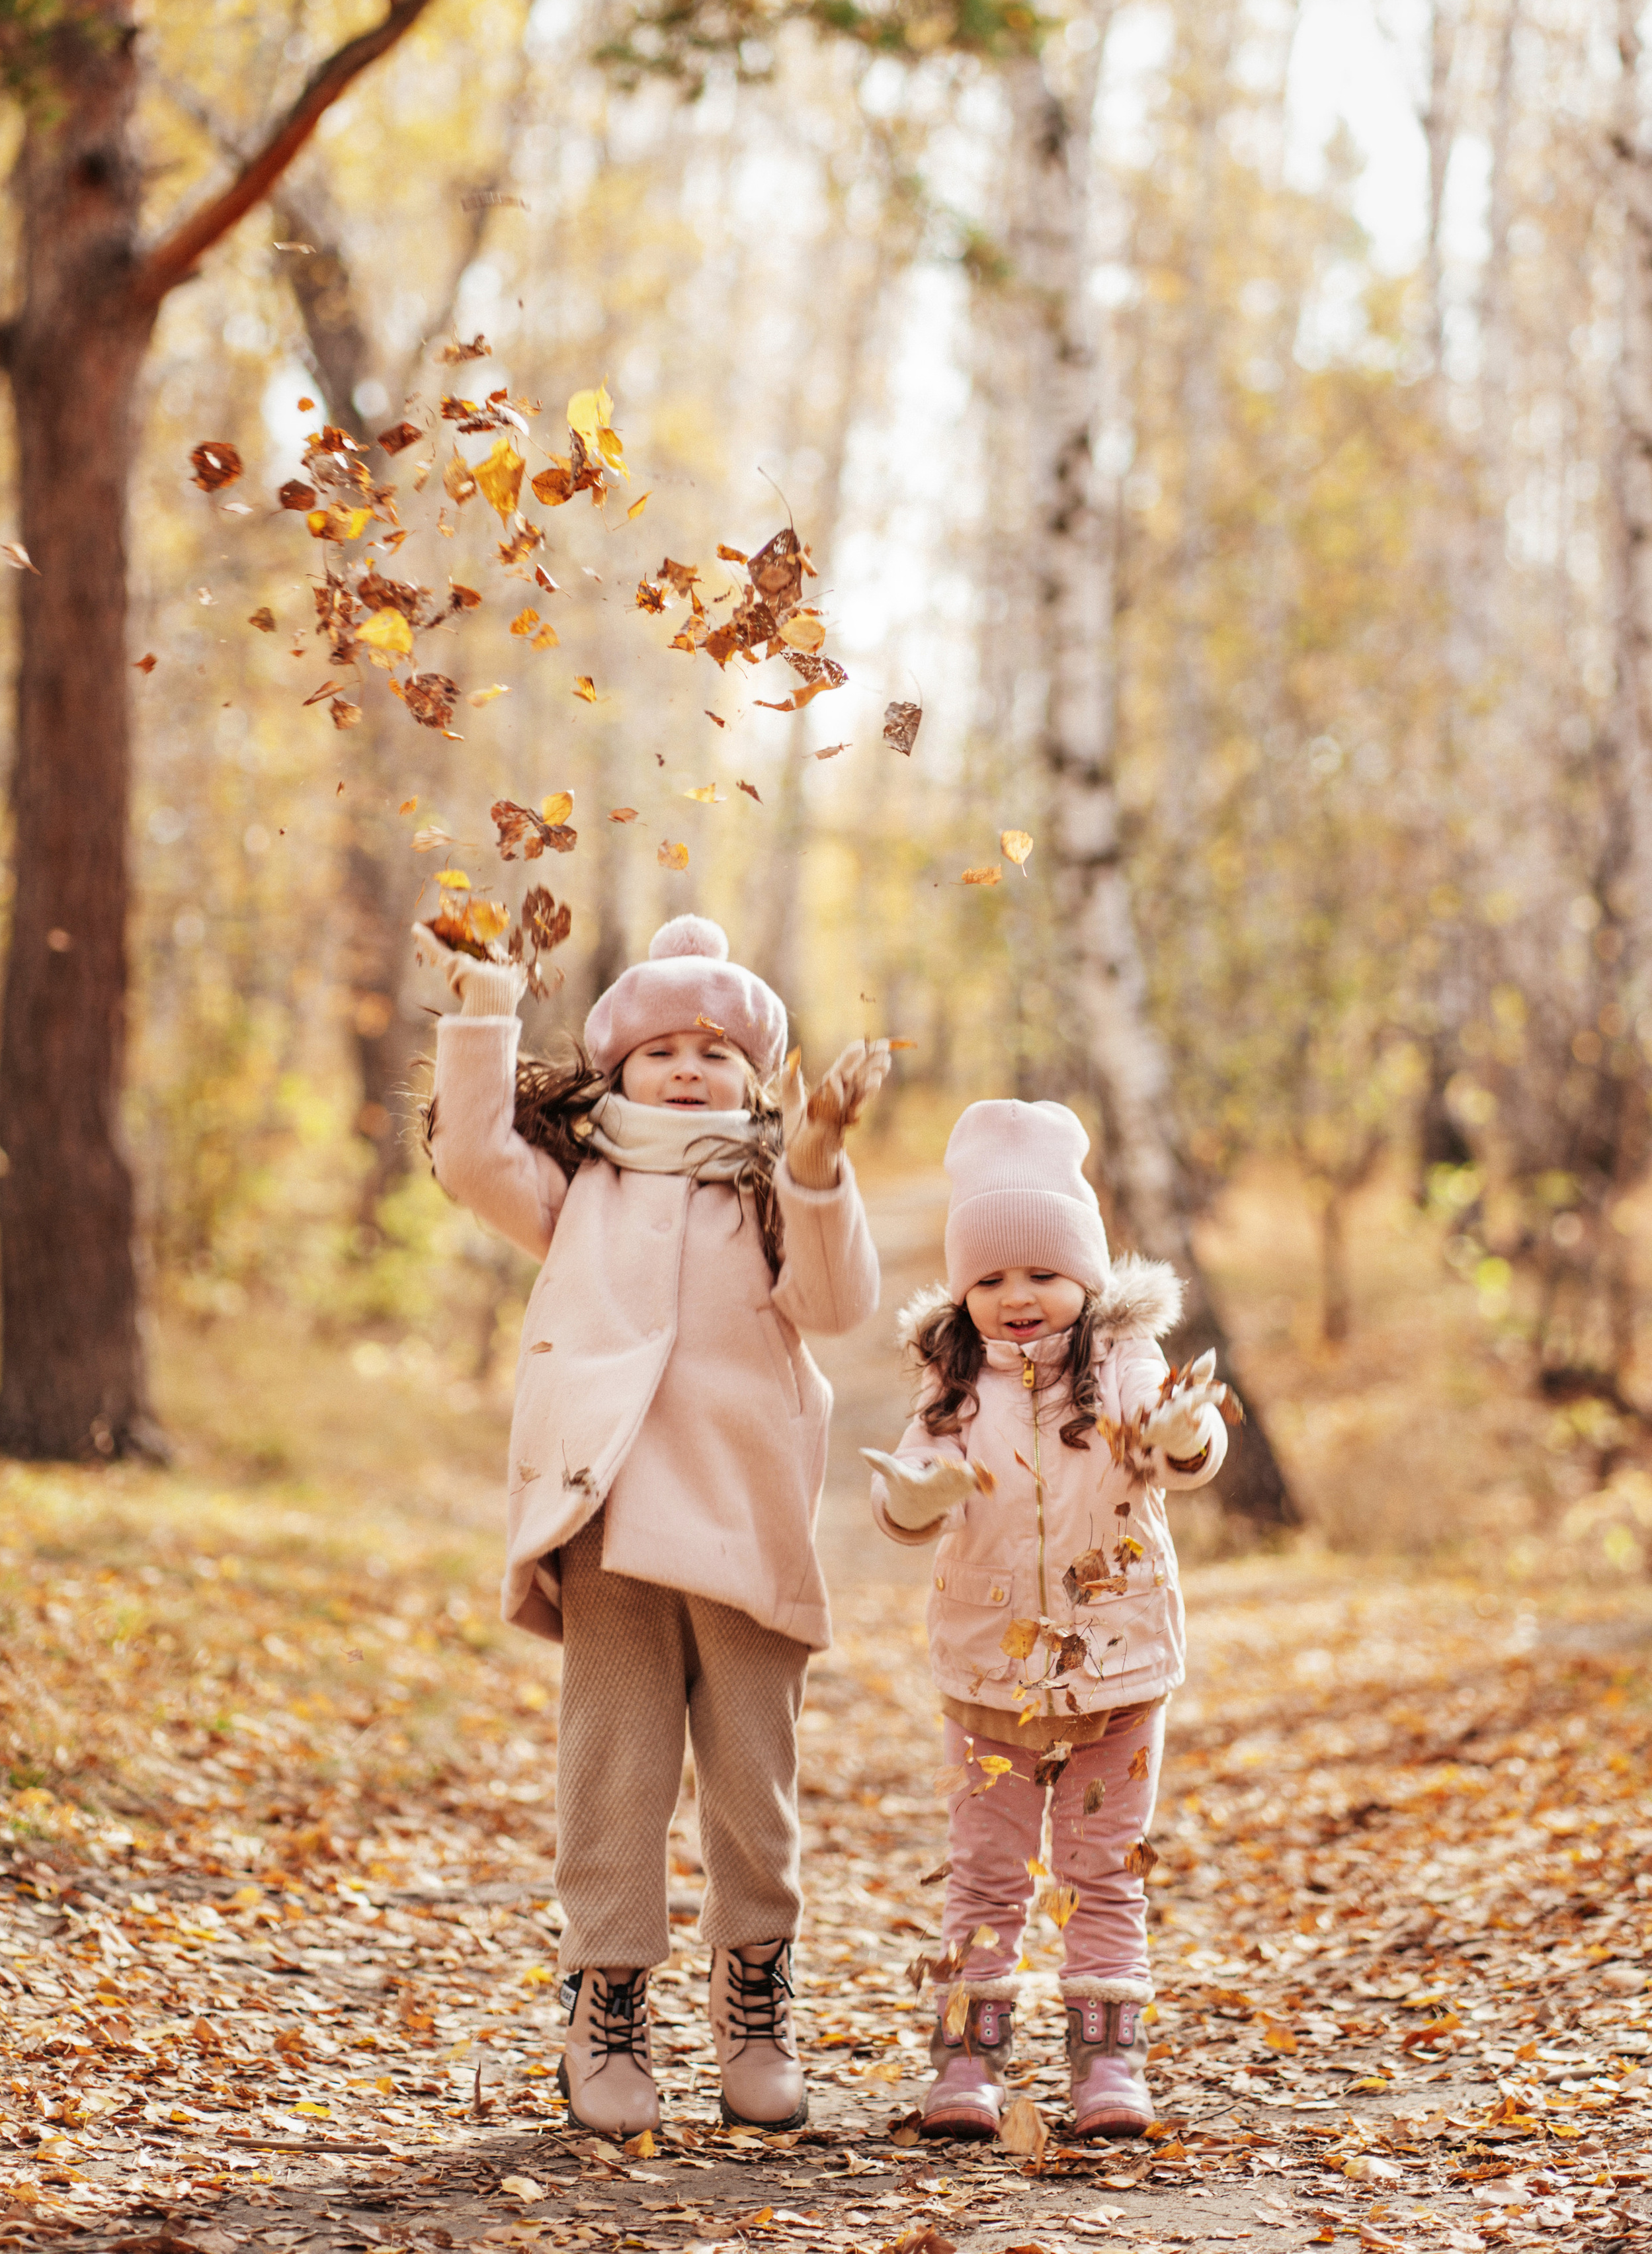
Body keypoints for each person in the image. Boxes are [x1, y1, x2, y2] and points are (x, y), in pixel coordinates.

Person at [416, 911, 888, 2139]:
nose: (691, 1067)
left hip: (746, 1521)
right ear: (615, 1069)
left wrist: (824, 1159)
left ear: (754, 1078)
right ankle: (606, 1999)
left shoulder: (774, 1191)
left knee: (752, 1784)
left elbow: (840, 1305)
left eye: (719, 1050)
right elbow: (470, 1158)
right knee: (613, 1779)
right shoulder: (582, 1191)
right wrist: (482, 1006)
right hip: (609, 1515)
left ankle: (756, 2000)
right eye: (663, 1048)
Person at [862, 1099, 1227, 2142]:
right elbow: (909, 1486)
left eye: (1040, 1274)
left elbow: (1177, 1455)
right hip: (988, 1681)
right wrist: (914, 1498)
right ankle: (967, 2061)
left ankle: (1107, 2060)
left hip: (1118, 1671)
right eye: (989, 1279)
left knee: (1104, 1868)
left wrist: (1182, 1432)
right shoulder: (952, 1383)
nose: (1017, 1297)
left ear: (1087, 1275)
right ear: (964, 1290)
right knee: (985, 1871)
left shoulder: (1124, 1365)